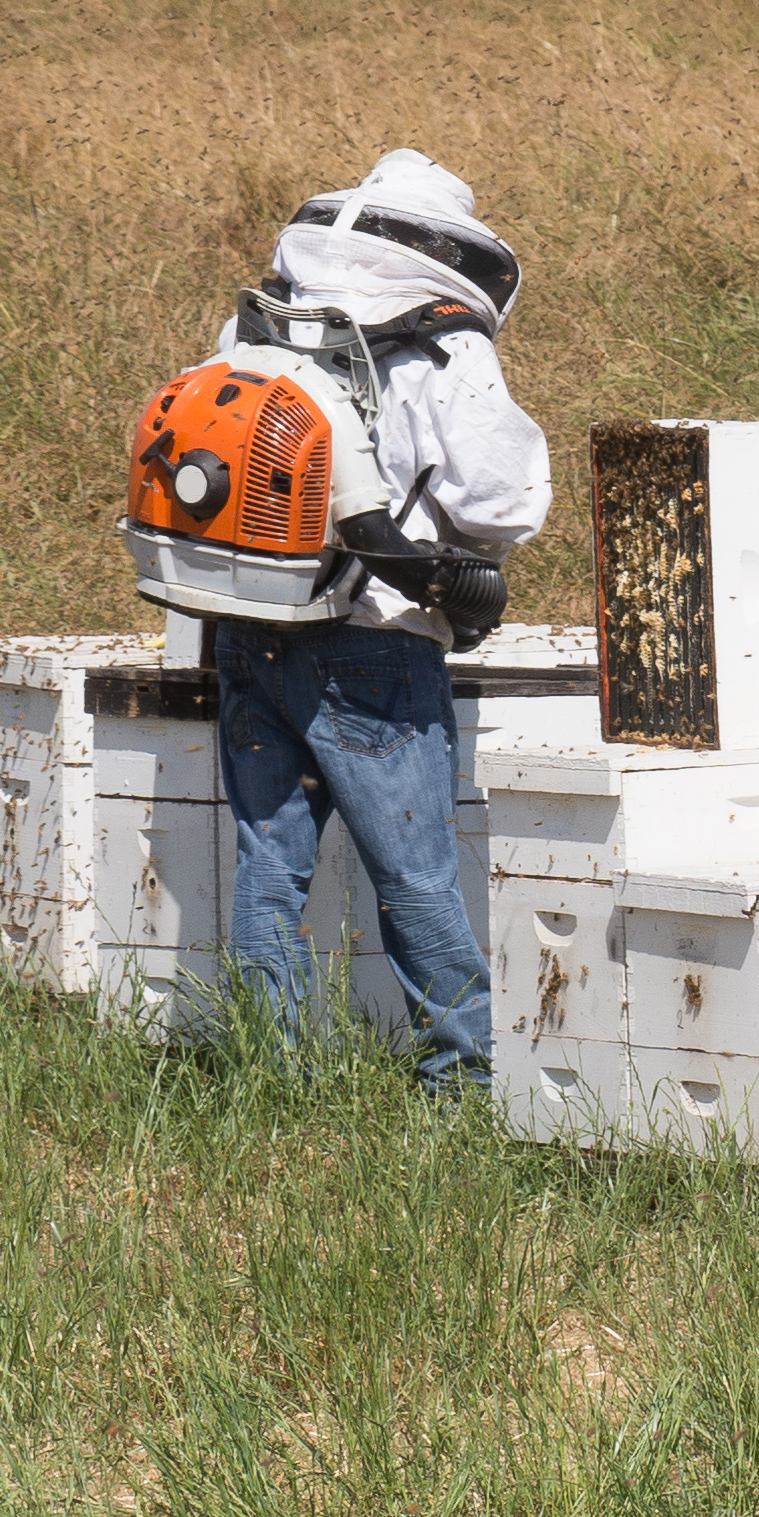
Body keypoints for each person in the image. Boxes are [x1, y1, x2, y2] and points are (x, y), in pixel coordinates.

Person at [205, 152, 549, 1093]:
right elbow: (503, 502)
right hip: (377, 640)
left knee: (269, 864)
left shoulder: (253, 330)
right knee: (417, 876)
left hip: (249, 629)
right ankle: (462, 1080)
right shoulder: (445, 344)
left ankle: (265, 1070)